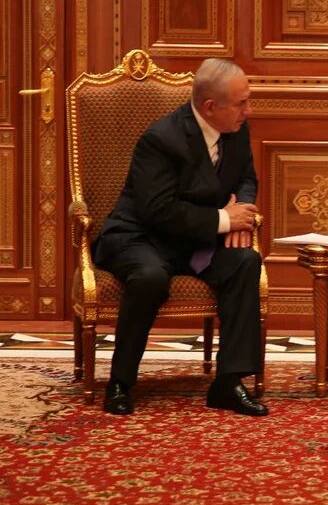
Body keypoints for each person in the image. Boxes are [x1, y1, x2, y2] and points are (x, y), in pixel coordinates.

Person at [93, 58, 268, 417]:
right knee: (150, 278)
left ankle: (228, 383)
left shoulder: (236, 127)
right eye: (241, 103)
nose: (248, 110)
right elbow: (158, 211)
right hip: (142, 237)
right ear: (210, 107)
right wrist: (225, 220)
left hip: (197, 240)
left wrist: (241, 214)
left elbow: (246, 177)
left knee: (245, 262)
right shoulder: (161, 139)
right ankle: (120, 382)